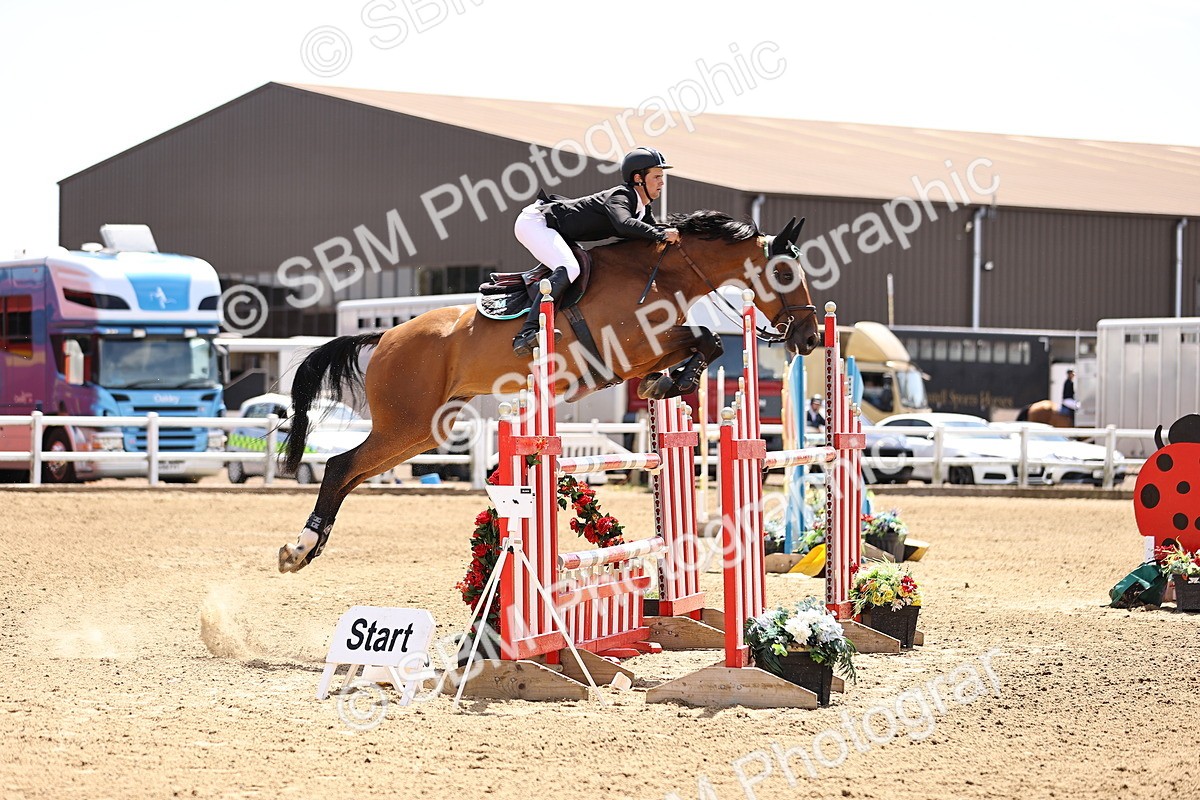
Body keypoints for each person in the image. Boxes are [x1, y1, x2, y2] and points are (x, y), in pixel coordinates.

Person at [510, 146, 682, 356]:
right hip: (536, 222)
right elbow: (624, 224)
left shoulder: (642, 209)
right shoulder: (620, 196)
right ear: (638, 178)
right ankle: (527, 333)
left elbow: (648, 233)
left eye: (661, 177)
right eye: (656, 177)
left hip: (556, 230)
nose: (661, 182)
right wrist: (661, 234)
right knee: (570, 268)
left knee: (579, 268)